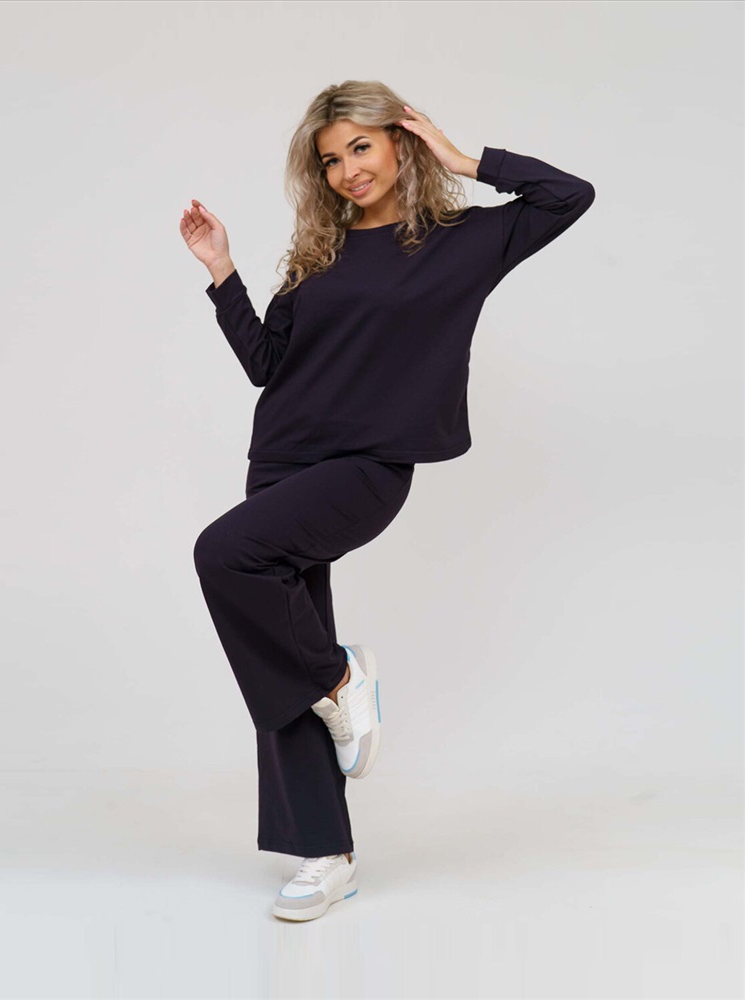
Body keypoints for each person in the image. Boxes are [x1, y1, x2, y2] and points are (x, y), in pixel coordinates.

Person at [179, 79, 595, 923]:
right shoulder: (321, 252)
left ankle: (339, 676)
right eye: (331, 160)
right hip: (281, 460)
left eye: (361, 147)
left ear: (401, 141)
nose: (347, 171)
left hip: (365, 466)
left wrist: (463, 157)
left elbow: (569, 195)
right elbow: (267, 365)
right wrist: (222, 270)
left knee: (224, 558)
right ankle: (324, 855)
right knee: (274, 650)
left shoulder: (464, 242)